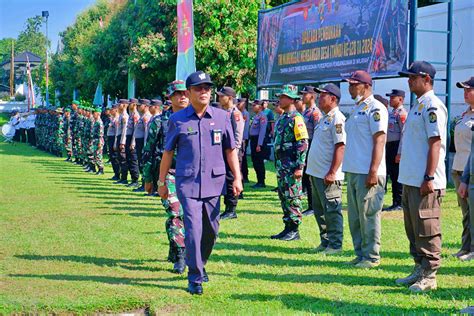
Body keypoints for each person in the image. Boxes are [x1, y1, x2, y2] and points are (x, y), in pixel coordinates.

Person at [159, 71, 242, 295]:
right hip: (188, 183)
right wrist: (161, 182)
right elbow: (167, 153)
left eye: (207, 87)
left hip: (214, 183)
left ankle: (200, 263)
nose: (204, 91)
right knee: (193, 229)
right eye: (198, 88)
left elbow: (230, 150)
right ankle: (194, 277)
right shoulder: (178, 119)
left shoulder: (222, 117)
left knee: (211, 230)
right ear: (189, 92)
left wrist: (238, 177)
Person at [396, 61, 447, 292]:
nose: (409, 81)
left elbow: (435, 143)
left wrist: (428, 177)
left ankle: (429, 275)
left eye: (413, 77)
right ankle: (419, 268)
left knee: (427, 227)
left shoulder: (433, 106)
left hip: (425, 181)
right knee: (412, 228)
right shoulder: (418, 106)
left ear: (427, 79)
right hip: (410, 179)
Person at [342, 70, 388, 269]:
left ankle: (371, 256)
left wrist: (373, 171)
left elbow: (380, 140)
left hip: (368, 171)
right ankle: (360, 253)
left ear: (366, 85)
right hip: (353, 169)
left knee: (368, 215)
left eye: (354, 84)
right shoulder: (357, 108)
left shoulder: (375, 108)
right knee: (354, 217)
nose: (350, 88)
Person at [306, 84, 345, 254]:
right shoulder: (325, 117)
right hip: (316, 173)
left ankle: (335, 244)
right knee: (320, 210)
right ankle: (325, 241)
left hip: (328, 175)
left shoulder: (337, 118)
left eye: (323, 96)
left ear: (333, 99)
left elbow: (340, 146)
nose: (319, 98)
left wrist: (332, 172)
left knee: (332, 210)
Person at [271, 84, 309, 241]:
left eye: (283, 97)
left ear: (291, 99)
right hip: (282, 166)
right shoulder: (282, 118)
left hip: (292, 166)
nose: (280, 99)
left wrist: (300, 166)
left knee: (293, 196)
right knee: (284, 195)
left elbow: (303, 143)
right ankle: (287, 227)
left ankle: (294, 229)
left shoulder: (297, 119)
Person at [452, 76, 474, 262]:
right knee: (466, 212)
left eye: (469, 89)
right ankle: (465, 246)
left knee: (472, 213)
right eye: (464, 90)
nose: (465, 93)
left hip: (470, 170)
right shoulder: (464, 114)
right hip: (459, 168)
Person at [217, 86, 244, 220]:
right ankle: (227, 206)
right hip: (224, 150)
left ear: (230, 98)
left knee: (231, 178)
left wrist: (235, 153)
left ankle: (231, 208)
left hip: (233, 151)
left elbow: (238, 135)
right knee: (225, 178)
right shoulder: (223, 112)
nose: (220, 98)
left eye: (222, 96)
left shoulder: (235, 113)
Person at [298, 86, 322, 217]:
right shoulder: (305, 111)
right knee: (305, 176)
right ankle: (310, 204)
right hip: (305, 144)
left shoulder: (315, 112)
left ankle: (313, 206)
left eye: (304, 94)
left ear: (312, 96)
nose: (302, 96)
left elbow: (318, 132)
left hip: (312, 144)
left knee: (310, 176)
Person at [383, 89, 407, 211]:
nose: (390, 100)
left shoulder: (401, 113)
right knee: (391, 174)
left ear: (401, 99)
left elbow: (404, 133)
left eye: (393, 98)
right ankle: (394, 201)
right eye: (390, 97)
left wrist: (400, 152)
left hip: (396, 146)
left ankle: (399, 202)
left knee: (396, 175)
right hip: (389, 146)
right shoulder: (392, 113)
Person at [142, 99, 163, 195]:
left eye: (150, 106)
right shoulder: (153, 119)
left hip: (159, 149)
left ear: (156, 107)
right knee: (152, 169)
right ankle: (153, 188)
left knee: (157, 169)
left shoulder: (160, 120)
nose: (148, 108)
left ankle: (156, 188)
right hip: (152, 148)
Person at [131, 98, 152, 192]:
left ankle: (144, 184)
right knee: (140, 163)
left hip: (142, 143)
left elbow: (147, 133)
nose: (138, 107)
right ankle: (143, 183)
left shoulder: (146, 117)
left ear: (146, 106)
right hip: (139, 143)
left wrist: (145, 146)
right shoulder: (142, 116)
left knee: (143, 164)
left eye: (140, 105)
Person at [249, 100, 268, 188]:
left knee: (259, 162)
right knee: (255, 161)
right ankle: (258, 181)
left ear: (259, 107)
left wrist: (259, 144)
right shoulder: (256, 116)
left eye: (254, 105)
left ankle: (261, 182)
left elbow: (262, 131)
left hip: (258, 141)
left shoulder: (262, 116)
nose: (252, 107)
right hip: (253, 140)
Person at [125, 98, 140, 187]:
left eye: (130, 103)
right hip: (128, 137)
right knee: (129, 159)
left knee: (133, 160)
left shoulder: (135, 116)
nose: (128, 105)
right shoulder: (131, 115)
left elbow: (136, 130)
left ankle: (135, 180)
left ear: (134, 104)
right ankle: (132, 179)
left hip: (132, 139)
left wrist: (133, 142)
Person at [115, 99, 129, 184]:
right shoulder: (121, 115)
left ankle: (124, 178)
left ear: (124, 105)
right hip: (119, 137)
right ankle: (121, 177)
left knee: (123, 159)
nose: (118, 106)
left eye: (119, 104)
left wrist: (122, 142)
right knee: (120, 159)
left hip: (122, 139)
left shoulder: (125, 116)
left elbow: (125, 130)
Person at [237, 98, 250, 184]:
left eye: (240, 103)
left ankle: (245, 176)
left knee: (242, 158)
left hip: (243, 138)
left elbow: (244, 128)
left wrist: (242, 138)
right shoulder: (239, 113)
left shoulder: (245, 114)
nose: (238, 105)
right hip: (241, 138)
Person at [107, 104, 121, 180]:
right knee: (112, 157)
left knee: (115, 157)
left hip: (114, 139)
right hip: (110, 139)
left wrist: (115, 142)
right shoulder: (112, 119)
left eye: (111, 109)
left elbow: (116, 132)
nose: (110, 111)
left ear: (116, 110)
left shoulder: (117, 119)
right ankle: (116, 173)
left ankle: (117, 174)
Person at [91, 106, 105, 175]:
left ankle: (101, 169)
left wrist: (99, 141)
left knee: (98, 155)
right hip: (95, 140)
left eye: (94, 113)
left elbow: (101, 133)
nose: (93, 114)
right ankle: (98, 168)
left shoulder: (99, 122)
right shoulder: (95, 121)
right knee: (95, 155)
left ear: (98, 113)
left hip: (98, 140)